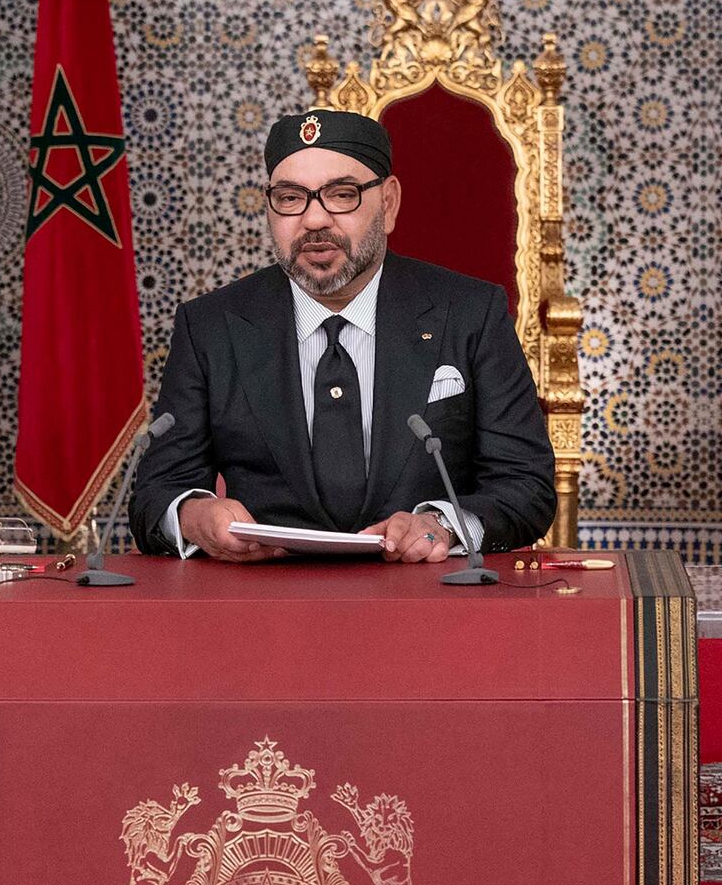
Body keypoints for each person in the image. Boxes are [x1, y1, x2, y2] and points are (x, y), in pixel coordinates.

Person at [129, 109, 556, 563]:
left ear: (388, 203)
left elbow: (526, 486)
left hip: (429, 605)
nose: (314, 220)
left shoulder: (470, 312)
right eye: (291, 198)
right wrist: (195, 517)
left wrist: (443, 526)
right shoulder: (211, 326)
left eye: (341, 195)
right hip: (263, 608)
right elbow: (155, 495)